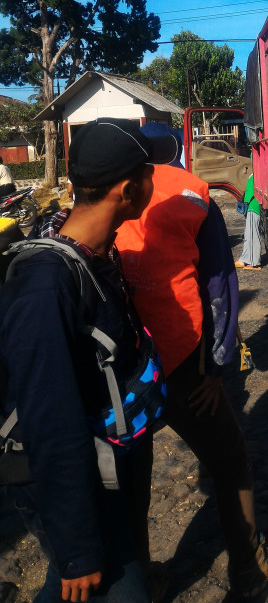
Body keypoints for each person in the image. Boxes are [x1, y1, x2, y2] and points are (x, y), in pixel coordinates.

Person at [0, 118, 177, 603]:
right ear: (127, 190)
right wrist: (76, 547)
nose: (154, 182)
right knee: (98, 585)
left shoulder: (94, 250)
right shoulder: (45, 288)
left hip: (106, 464)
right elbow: (48, 422)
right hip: (71, 478)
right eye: (148, 173)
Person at [115, 123, 268, 600]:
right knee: (231, 460)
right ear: (176, 151)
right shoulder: (192, 197)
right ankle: (249, 565)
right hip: (181, 362)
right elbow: (219, 289)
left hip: (125, 367)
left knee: (132, 478)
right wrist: (217, 366)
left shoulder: (106, 195)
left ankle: (141, 581)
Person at [235, 171, 262, 271]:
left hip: (253, 207)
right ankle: (244, 259)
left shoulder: (257, 174)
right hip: (250, 207)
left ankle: (254, 262)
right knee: (248, 233)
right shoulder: (254, 174)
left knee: (252, 234)